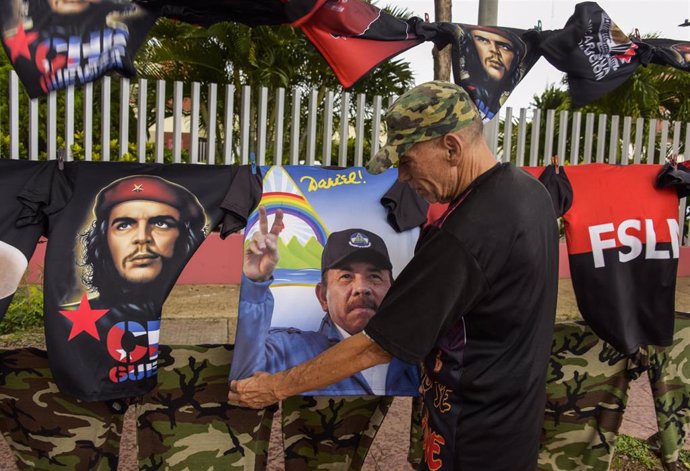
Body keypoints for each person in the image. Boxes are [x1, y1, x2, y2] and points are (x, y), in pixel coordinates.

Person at [229, 81, 559, 471]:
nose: (401, 177)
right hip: (511, 423)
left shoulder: (466, 233)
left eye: (408, 160)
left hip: (473, 438)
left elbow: (376, 345)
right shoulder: (530, 193)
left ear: (451, 148)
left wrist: (276, 387)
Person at [229, 206, 419, 395]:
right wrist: (255, 285)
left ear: (393, 292)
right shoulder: (293, 350)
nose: (362, 288)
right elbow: (243, 385)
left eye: (375, 277)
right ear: (322, 296)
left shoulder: (417, 355)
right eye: (346, 276)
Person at [77, 174, 206, 306]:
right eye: (124, 225)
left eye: (161, 224)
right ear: (103, 240)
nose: (142, 237)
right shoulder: (68, 321)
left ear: (185, 238)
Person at [457, 25, 525, 120]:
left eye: (505, 47)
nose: (494, 50)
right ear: (469, 49)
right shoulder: (459, 97)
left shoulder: (499, 101)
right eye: (483, 40)